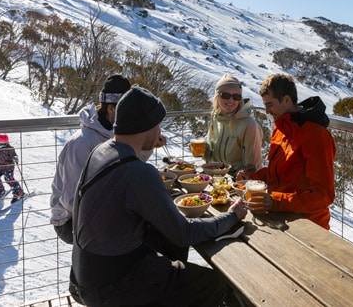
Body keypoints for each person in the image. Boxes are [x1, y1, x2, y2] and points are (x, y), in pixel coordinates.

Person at [70, 87, 247, 307]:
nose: (159, 131)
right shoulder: (137, 172)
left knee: (170, 241)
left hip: (85, 274)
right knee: (212, 283)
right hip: (112, 285)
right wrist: (232, 217)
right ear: (146, 126)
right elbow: (185, 232)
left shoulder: (102, 151)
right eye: (157, 124)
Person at [236, 73, 336, 230]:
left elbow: (323, 195)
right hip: (281, 216)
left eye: (270, 104)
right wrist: (252, 177)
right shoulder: (281, 128)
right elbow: (279, 175)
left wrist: (276, 201)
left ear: (287, 100)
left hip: (308, 223)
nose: (267, 111)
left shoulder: (315, 135)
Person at [50, 74, 132, 244]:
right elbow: (71, 201)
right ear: (111, 109)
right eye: (128, 109)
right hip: (70, 219)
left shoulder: (115, 132)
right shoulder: (82, 143)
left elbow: (129, 166)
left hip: (99, 207)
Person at [204, 73, 263, 174]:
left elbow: (253, 166)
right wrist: (202, 148)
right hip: (215, 173)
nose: (231, 100)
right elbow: (210, 149)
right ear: (217, 97)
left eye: (236, 96)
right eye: (225, 95)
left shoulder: (249, 125)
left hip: (236, 180)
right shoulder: (215, 117)